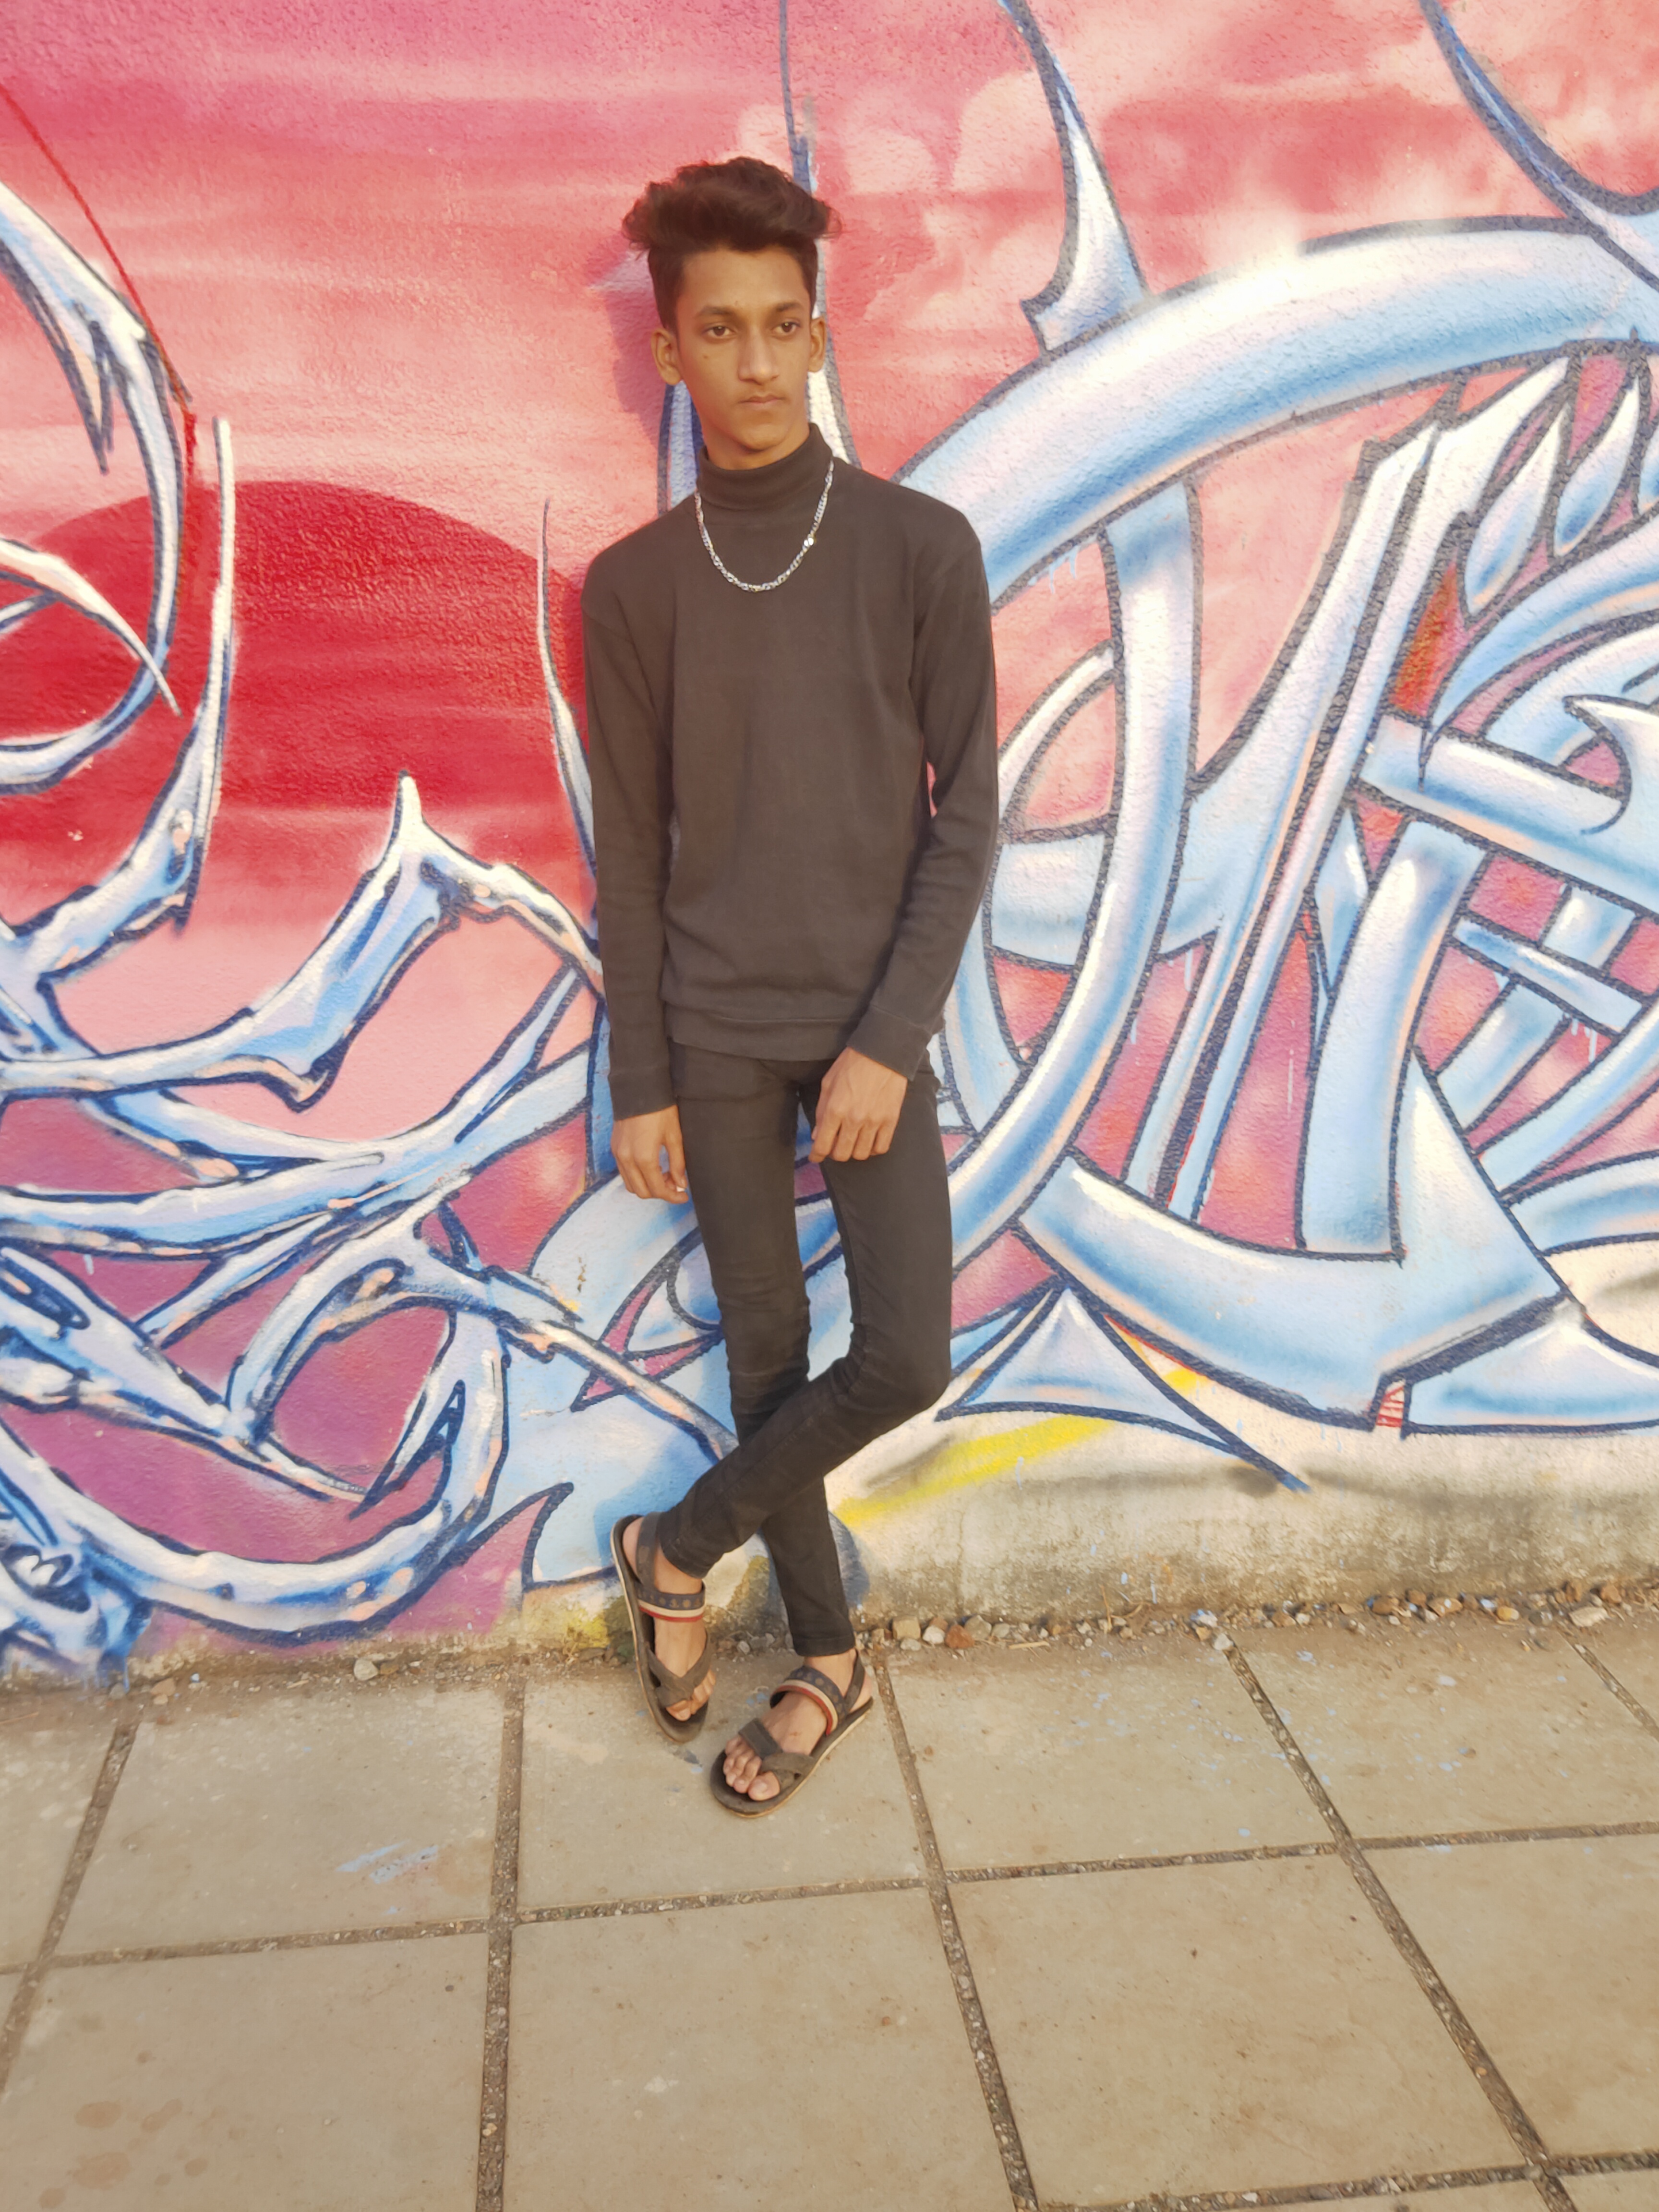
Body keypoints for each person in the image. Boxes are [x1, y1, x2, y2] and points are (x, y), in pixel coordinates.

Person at [581, 156, 998, 1814]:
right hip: (716, 1040)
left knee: (903, 1355)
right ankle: (829, 1658)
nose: (754, 364)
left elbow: (969, 817)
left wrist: (888, 1041)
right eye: (718, 331)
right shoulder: (636, 587)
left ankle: (673, 1549)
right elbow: (630, 852)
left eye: (782, 326)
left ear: (819, 336)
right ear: (670, 350)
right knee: (769, 1359)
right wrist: (642, 1079)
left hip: (866, 1036)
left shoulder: (920, 549)